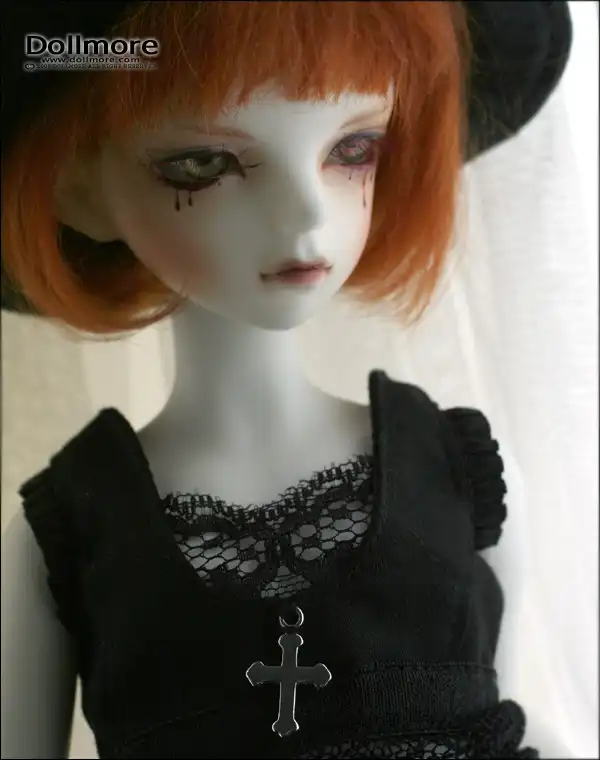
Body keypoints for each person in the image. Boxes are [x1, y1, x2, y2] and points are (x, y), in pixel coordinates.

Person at [1, 2, 573, 758]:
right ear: (80, 190)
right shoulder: (68, 534)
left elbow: (511, 716)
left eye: (353, 148)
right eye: (203, 163)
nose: (305, 211)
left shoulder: (463, 472)